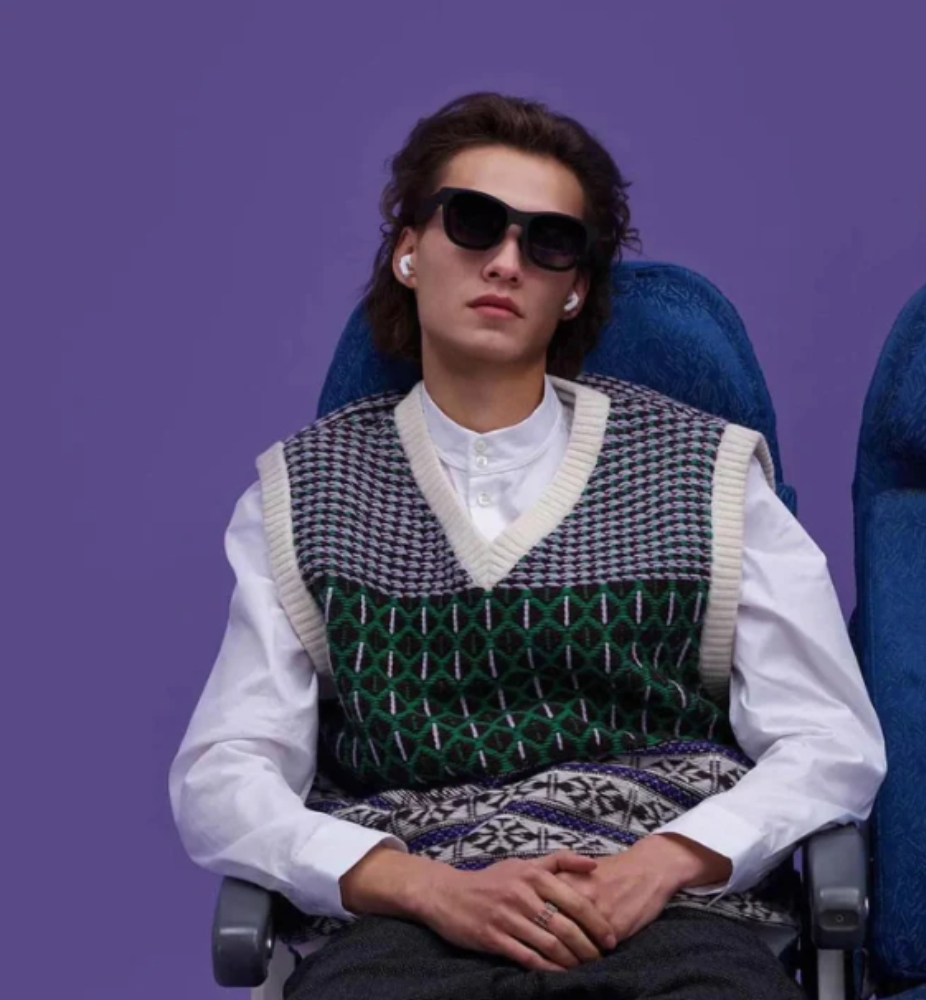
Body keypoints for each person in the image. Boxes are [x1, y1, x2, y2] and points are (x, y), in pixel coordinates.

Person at [169, 92, 886, 1000]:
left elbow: (829, 739)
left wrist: (664, 862)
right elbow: (223, 774)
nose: (506, 262)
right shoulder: (304, 492)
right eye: (473, 222)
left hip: (668, 915)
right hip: (406, 922)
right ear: (407, 249)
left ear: (574, 287)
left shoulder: (704, 472)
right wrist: (421, 887)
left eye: (548, 242)